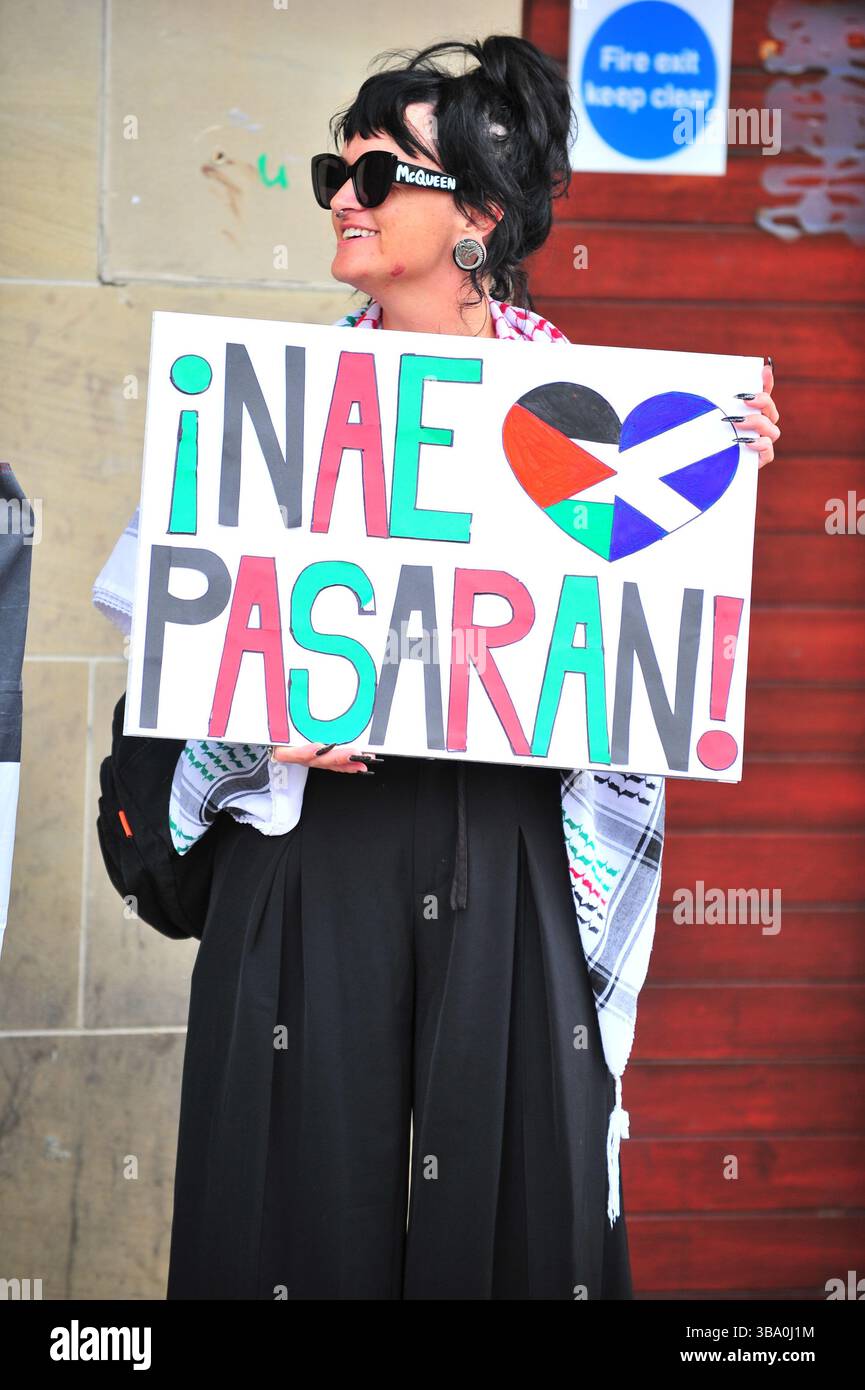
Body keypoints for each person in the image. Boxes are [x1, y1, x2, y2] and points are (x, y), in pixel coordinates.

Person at [93, 35, 780, 1300]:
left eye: (380, 172)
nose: (342, 196)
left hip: (506, 861)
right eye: (332, 170)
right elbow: (172, 702)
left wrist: (709, 475)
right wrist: (248, 727)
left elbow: (632, 668)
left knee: (516, 1220)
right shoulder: (263, 412)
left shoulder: (611, 433)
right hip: (310, 866)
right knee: (286, 1213)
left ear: (479, 216)